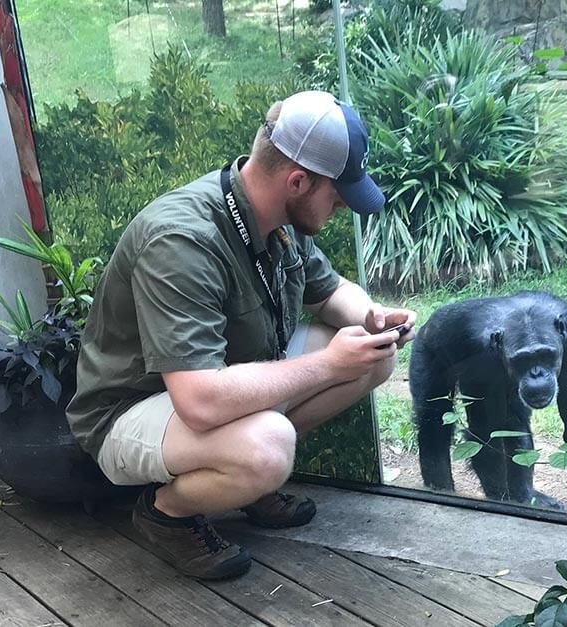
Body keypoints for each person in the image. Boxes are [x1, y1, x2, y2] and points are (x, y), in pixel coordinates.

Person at [66, 90, 416, 580]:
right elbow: (201, 401)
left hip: (213, 386)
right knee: (267, 446)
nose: (341, 207)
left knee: (374, 356)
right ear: (297, 181)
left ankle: (244, 482)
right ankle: (166, 512)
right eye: (338, 197)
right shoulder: (182, 241)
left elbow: (329, 289)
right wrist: (328, 364)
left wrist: (374, 318)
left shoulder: (276, 217)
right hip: (131, 409)